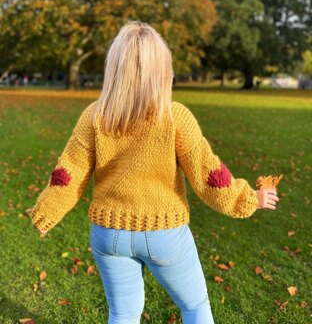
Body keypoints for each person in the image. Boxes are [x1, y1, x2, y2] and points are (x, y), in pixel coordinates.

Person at [31, 21, 279, 324]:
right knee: (195, 307)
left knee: (123, 314)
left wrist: (47, 212)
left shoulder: (95, 115)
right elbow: (210, 175)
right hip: (165, 232)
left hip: (109, 235)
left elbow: (68, 170)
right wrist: (249, 198)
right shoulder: (175, 117)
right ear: (163, 70)